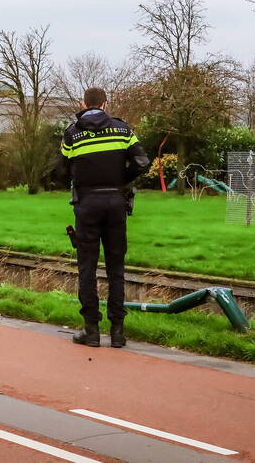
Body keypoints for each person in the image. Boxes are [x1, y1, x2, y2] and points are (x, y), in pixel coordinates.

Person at [61, 87, 149, 348]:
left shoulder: (72, 133)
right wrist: (121, 179)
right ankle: (118, 332)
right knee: (116, 268)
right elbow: (142, 162)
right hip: (115, 203)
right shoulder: (123, 130)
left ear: (83, 104)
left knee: (87, 267)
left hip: (87, 203)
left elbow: (62, 168)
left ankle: (91, 331)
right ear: (105, 104)